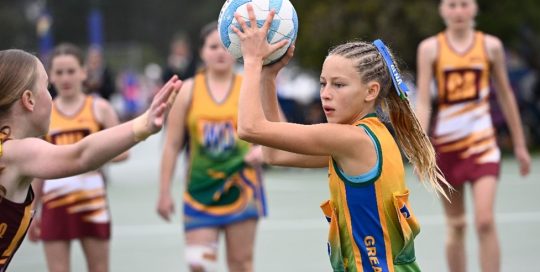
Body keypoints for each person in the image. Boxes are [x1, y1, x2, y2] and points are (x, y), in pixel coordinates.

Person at [231, 6, 451, 271]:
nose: (325, 93)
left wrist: (252, 62)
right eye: (323, 83)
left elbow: (249, 128)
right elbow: (273, 154)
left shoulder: (350, 140)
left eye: (339, 84)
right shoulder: (365, 139)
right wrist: (268, 77)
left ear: (371, 91)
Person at [0, 48, 181, 271]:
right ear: (29, 99)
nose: (52, 94)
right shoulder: (16, 152)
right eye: (47, 88)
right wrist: (142, 126)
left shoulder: (13, 152)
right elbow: (80, 155)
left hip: (91, 204)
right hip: (58, 208)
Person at [415, 0, 531, 271]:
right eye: (452, 5)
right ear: (443, 10)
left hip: (482, 145)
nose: (458, 11)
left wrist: (520, 144)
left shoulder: (490, 46)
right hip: (446, 147)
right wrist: (420, 148)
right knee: (456, 225)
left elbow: (505, 94)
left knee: (484, 221)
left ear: (475, 9)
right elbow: (423, 101)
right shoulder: (430, 48)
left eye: (464, 4)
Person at [156, 21, 266, 272]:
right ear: (202, 52)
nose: (219, 52)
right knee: (199, 264)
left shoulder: (249, 87)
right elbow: (172, 145)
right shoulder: (187, 90)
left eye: (225, 47)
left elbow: (278, 128)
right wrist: (163, 192)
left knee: (241, 264)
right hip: (199, 191)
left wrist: (264, 151)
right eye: (213, 46)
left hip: (242, 188)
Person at [25, 43, 126, 272]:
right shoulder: (42, 114)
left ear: (83, 72)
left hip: (92, 202)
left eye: (71, 71)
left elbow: (124, 152)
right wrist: (31, 210)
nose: (66, 77)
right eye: (59, 72)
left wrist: (91, 157)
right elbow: (37, 168)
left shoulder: (99, 108)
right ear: (51, 76)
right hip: (55, 204)